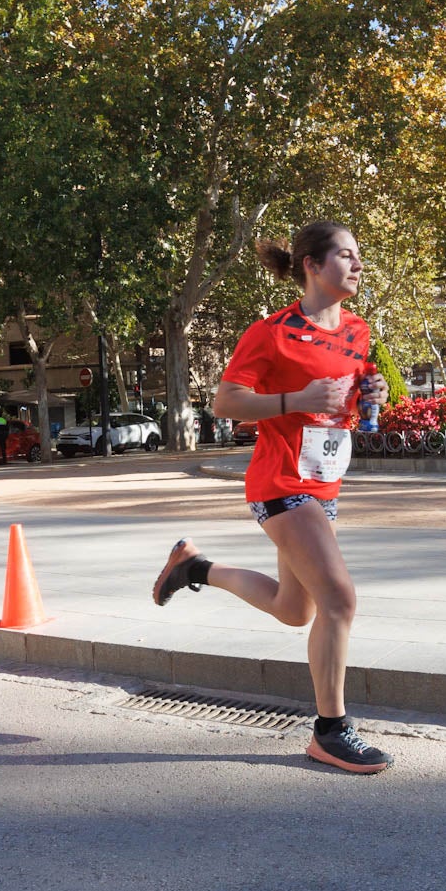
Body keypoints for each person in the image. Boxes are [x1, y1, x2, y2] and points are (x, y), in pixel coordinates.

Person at [152, 221, 393, 774]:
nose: (358, 266)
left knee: (295, 609)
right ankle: (331, 731)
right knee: (339, 600)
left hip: (324, 482)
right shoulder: (272, 332)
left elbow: (339, 408)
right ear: (312, 265)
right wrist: (294, 398)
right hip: (282, 481)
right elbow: (226, 403)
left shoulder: (358, 331)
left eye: (359, 257)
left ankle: (195, 568)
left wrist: (368, 394)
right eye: (347, 256)